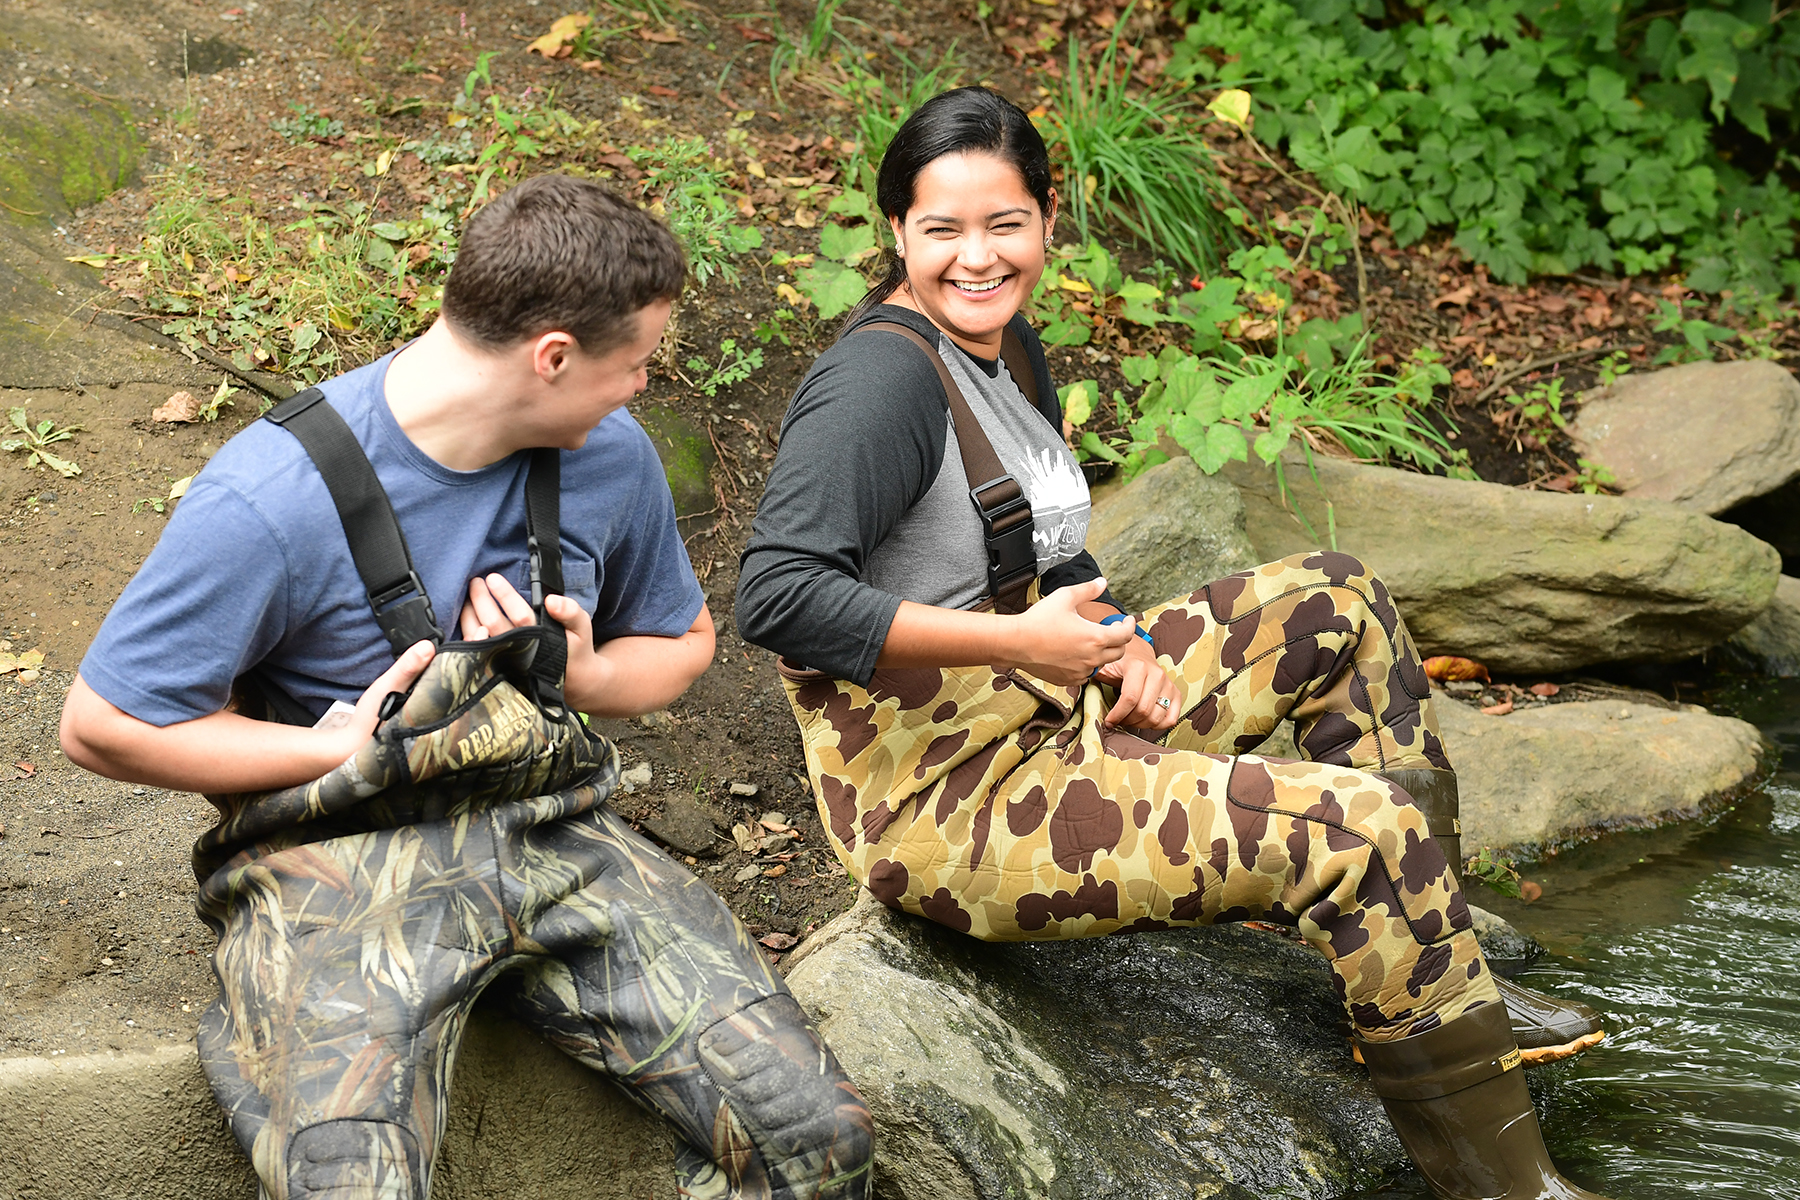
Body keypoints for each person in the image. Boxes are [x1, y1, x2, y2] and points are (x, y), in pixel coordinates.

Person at [737, 86, 1610, 1200]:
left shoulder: (1007, 343)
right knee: (1368, 831)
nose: (976, 258)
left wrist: (1115, 637)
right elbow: (775, 597)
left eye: (1004, 225)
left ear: (1049, 220)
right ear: (897, 233)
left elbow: (1046, 549)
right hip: (946, 799)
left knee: (1338, 600)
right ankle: (1511, 1188)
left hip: (1063, 705)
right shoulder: (879, 385)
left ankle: (1431, 964)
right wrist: (1024, 648)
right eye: (942, 230)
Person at [61, 175, 872, 1200]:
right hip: (341, 860)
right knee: (350, 1184)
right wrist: (326, 747)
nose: (643, 386)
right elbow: (101, 724)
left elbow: (683, 644)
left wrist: (586, 672)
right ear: (553, 357)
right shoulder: (269, 498)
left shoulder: (608, 458)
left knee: (817, 1137)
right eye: (636, 363)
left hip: (553, 830)